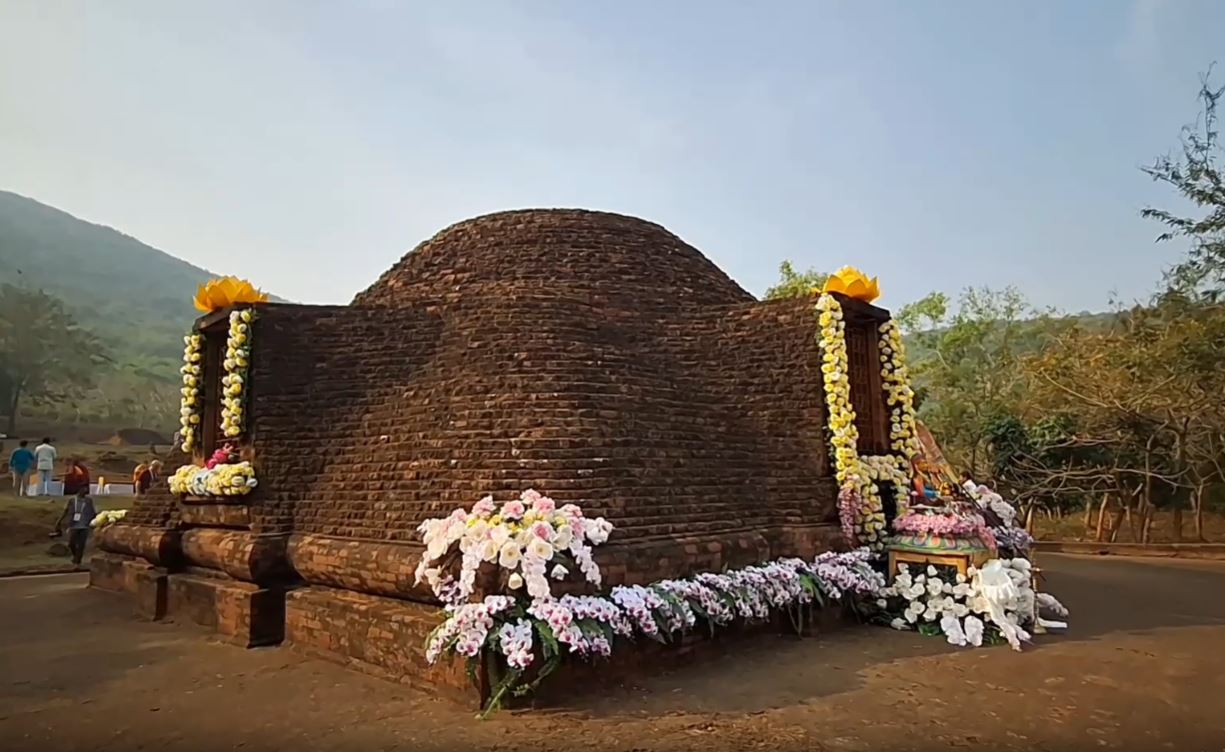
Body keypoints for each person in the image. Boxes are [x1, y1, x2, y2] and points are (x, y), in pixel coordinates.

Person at [53, 486, 97, 568]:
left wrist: (95, 521)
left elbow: (93, 512)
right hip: (73, 525)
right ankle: (75, 557)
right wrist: (59, 521)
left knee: (81, 545)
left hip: (84, 526)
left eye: (86, 489)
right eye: (84, 489)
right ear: (79, 490)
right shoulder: (72, 501)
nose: (86, 491)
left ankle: (77, 561)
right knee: (71, 543)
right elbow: (66, 511)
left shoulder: (88, 501)